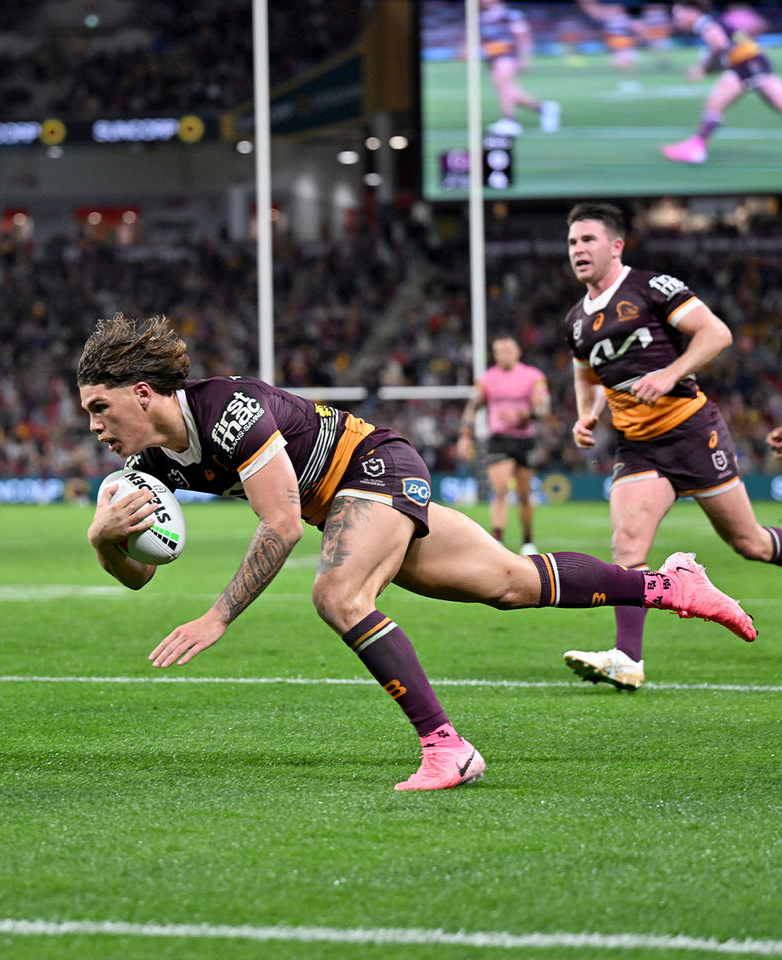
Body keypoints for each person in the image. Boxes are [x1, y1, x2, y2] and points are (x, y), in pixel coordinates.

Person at [76, 314, 754, 791]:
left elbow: (280, 527)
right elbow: (136, 578)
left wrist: (216, 616)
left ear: (142, 393)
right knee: (512, 582)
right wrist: (105, 544)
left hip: (371, 467)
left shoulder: (229, 410)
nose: (95, 427)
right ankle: (672, 585)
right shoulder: (155, 463)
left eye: (101, 409)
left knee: (338, 595)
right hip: (346, 499)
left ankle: (447, 748)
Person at [560, 201, 780, 691]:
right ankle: (626, 658)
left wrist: (669, 373)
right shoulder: (577, 319)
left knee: (750, 543)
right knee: (627, 546)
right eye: (573, 241)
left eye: (588, 239)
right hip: (638, 446)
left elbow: (715, 333)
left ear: (616, 246)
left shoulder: (650, 287)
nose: (578, 249)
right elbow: (586, 373)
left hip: (690, 430)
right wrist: (587, 413)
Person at [457, 334, 550, 555]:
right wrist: (465, 435)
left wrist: (523, 414)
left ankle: (527, 539)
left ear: (518, 351)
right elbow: (472, 406)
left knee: (525, 493)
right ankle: (497, 539)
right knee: (500, 490)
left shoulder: (533, 376)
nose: (503, 354)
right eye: (499, 351)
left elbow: (543, 409)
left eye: (508, 349)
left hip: (524, 439)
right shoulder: (487, 379)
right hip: (498, 440)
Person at [661, 0, 782, 165]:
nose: (677, 19)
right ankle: (696, 147)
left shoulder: (703, 22)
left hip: (747, 63)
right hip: (751, 62)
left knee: (714, 104)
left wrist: (702, 68)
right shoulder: (710, 19)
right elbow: (724, 50)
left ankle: (696, 149)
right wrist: (708, 67)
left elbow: (719, 44)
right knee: (715, 104)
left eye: (678, 14)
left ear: (692, 11)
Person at [480, 0, 560, 137]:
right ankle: (544, 109)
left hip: (509, 55)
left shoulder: (510, 15)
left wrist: (525, 58)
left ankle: (510, 120)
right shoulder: (482, 18)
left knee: (504, 85)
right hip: (492, 58)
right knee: (506, 89)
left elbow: (523, 37)